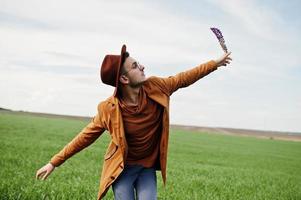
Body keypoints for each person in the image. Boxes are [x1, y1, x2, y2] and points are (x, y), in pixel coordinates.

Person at [36, 44, 232, 200]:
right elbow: (85, 137)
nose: (142, 66)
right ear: (124, 79)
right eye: (135, 66)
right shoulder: (109, 109)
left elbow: (183, 78)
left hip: (146, 168)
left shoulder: (157, 87)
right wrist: (54, 162)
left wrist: (214, 63)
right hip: (122, 170)